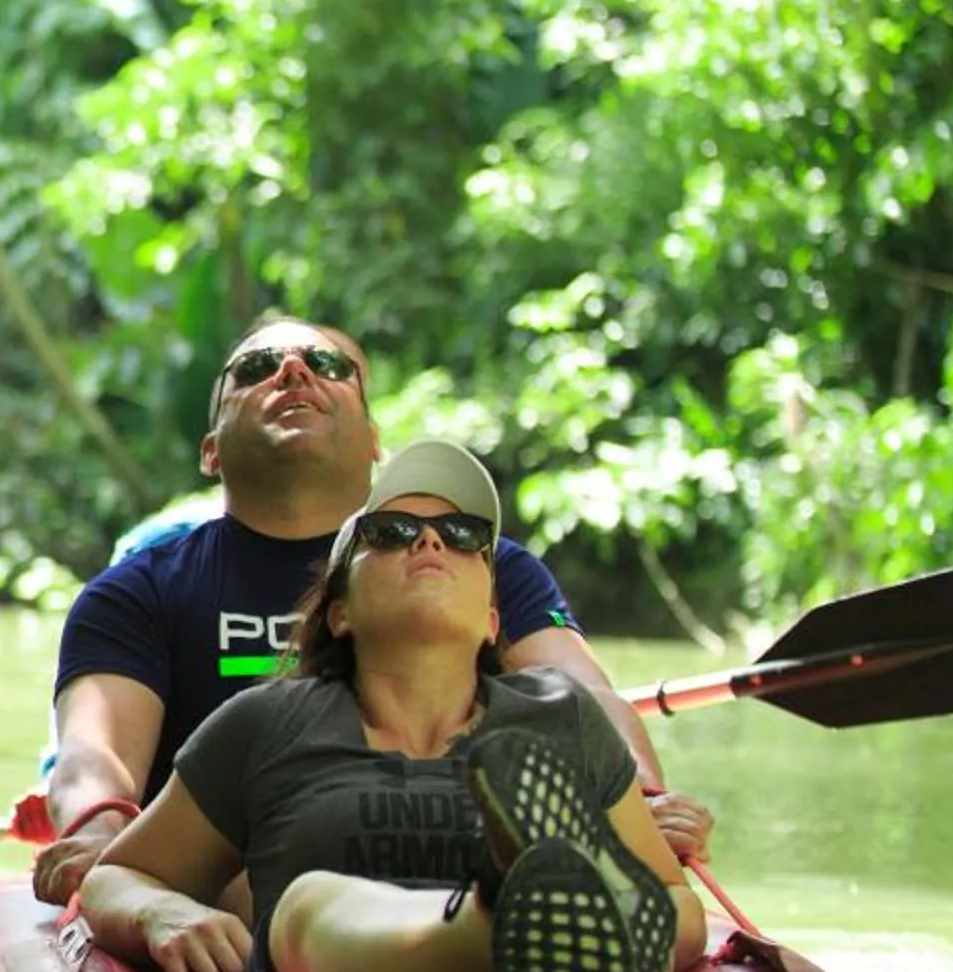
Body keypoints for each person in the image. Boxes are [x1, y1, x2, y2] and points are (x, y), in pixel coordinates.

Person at [77, 442, 705, 972]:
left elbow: (671, 901)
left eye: (465, 537)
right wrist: (164, 911)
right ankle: (519, 926)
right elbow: (115, 877)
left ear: (495, 619)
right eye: (390, 534)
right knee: (308, 905)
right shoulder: (266, 723)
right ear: (339, 613)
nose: (432, 540)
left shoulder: (561, 718)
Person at [34, 319, 712, 906]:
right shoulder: (136, 592)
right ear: (210, 450)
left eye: (329, 366)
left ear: (374, 442)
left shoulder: (481, 562)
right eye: (256, 369)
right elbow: (95, 753)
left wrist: (646, 803)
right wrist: (100, 837)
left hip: (460, 850)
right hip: (236, 884)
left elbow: (581, 693)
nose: (294, 370)